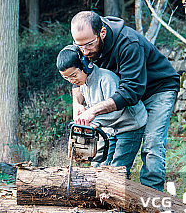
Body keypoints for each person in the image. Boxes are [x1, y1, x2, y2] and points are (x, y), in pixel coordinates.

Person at [70, 11, 180, 191]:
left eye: (89, 45)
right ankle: (114, 191)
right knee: (109, 137)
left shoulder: (129, 43)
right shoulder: (83, 41)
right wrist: (77, 104)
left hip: (158, 89)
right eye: (79, 46)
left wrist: (93, 110)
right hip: (129, 93)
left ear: (102, 33)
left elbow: (131, 90)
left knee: (152, 145)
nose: (85, 51)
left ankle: (152, 200)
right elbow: (75, 74)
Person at [56, 45, 146, 173]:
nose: (71, 80)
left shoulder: (106, 79)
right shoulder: (83, 83)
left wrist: (94, 122)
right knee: (99, 165)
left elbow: (116, 111)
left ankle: (121, 190)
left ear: (85, 65)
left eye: (73, 75)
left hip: (129, 126)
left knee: (118, 168)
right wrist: (83, 110)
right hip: (109, 128)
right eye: (66, 78)